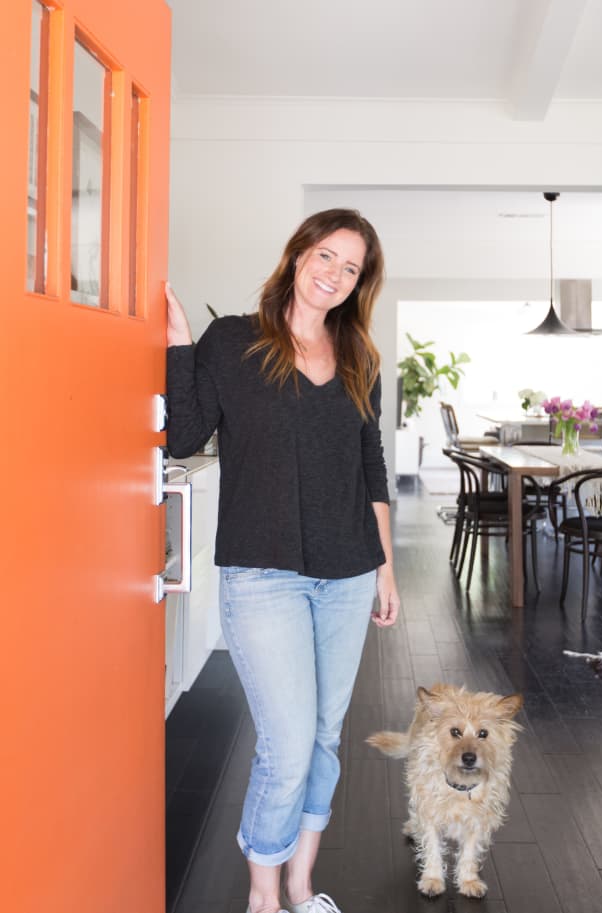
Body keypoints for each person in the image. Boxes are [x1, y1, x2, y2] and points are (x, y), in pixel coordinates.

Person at [165, 208, 400, 913]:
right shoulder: (234, 341)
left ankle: (301, 885)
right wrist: (179, 348)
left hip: (348, 572)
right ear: (298, 255)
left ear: (360, 283)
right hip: (262, 574)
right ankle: (263, 899)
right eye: (325, 255)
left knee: (324, 737)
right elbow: (184, 436)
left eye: (350, 268)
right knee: (288, 743)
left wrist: (385, 567)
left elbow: (370, 466)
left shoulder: (360, 358)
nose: (334, 274)